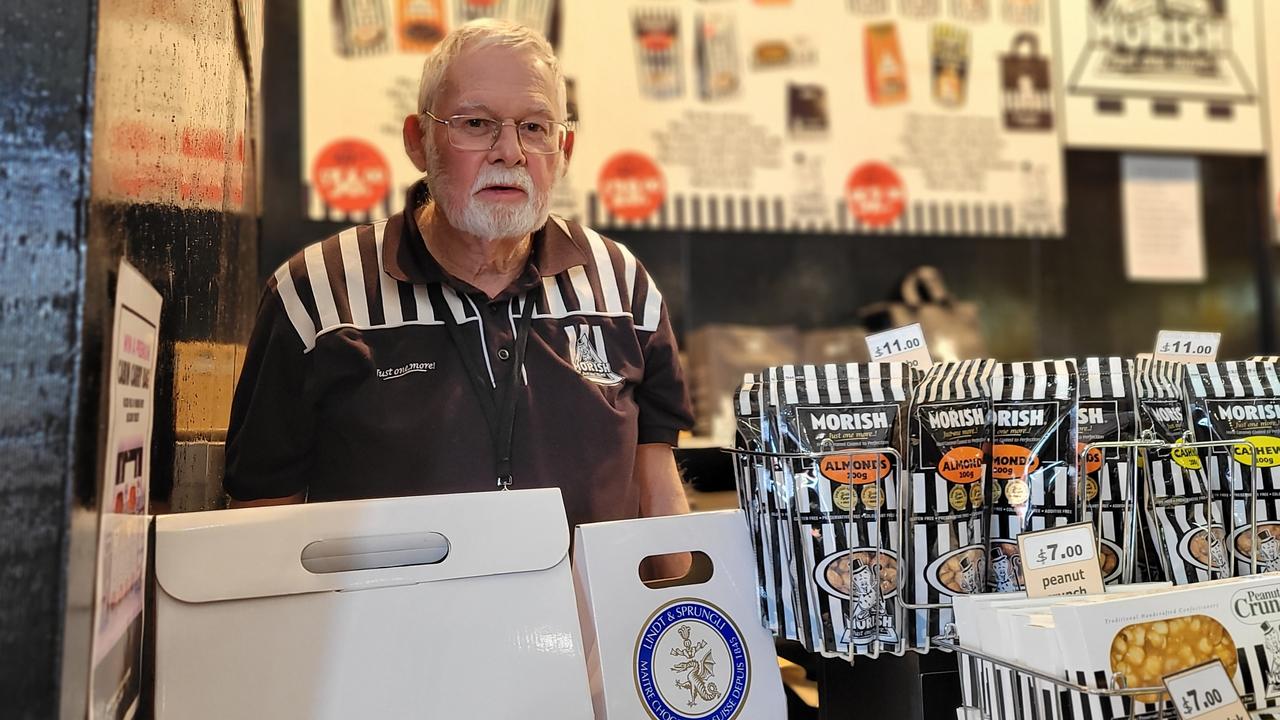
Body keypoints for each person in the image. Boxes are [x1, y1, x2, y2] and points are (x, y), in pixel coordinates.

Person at [223, 20, 694, 539]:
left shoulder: (624, 289)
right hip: (388, 619)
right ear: (418, 141)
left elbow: (658, 495)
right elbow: (262, 525)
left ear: (564, 151)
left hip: (586, 620)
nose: (509, 152)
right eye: (475, 123)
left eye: (535, 128)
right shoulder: (313, 296)